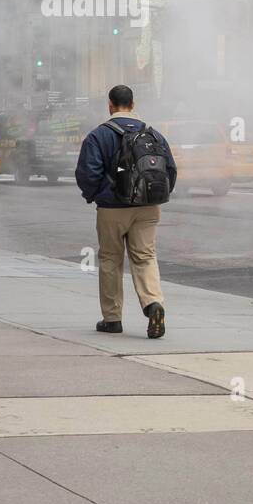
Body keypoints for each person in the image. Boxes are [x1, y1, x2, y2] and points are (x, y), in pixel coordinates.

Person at [74, 85, 177, 338]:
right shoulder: (154, 135)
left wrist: (96, 195)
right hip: (148, 207)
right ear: (133, 104)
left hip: (112, 208)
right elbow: (170, 171)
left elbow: (88, 173)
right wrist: (154, 196)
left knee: (110, 259)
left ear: (110, 104)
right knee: (145, 257)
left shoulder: (99, 135)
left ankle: (112, 319)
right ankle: (153, 303)